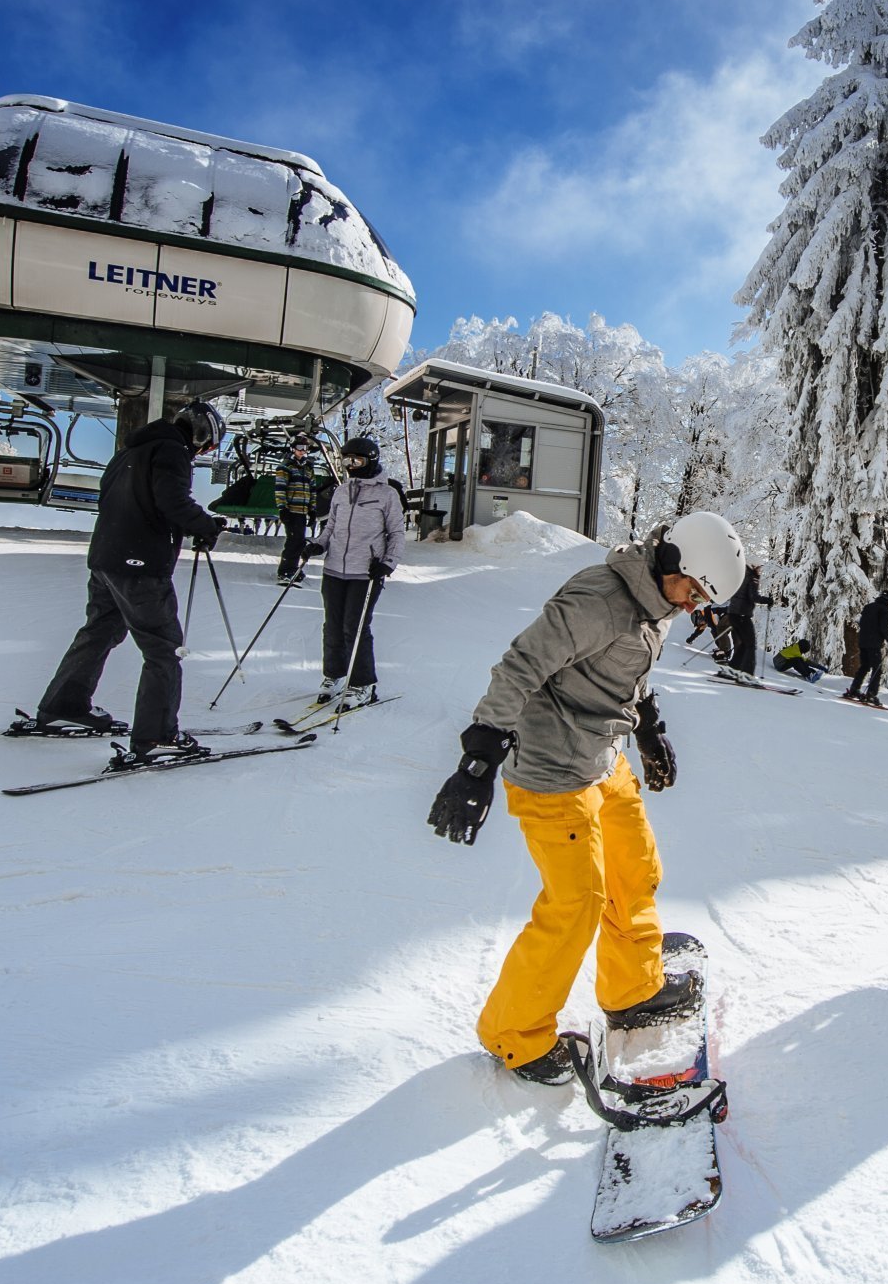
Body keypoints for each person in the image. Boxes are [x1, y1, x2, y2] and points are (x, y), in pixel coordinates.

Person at [426, 510, 747, 1085]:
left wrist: (648, 727)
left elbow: (627, 671)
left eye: (702, 599)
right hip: (553, 771)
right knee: (576, 902)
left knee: (635, 869)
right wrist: (477, 760)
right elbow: (520, 666)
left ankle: (632, 987)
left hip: (604, 756)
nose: (692, 606)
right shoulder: (598, 600)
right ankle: (514, 1036)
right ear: (670, 561)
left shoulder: (659, 603)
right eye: (692, 590)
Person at [32, 400, 228, 758]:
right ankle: (156, 736)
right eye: (208, 445)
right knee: (163, 648)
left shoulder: (129, 452)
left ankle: (64, 706)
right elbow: (172, 500)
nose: (203, 452)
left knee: (99, 632)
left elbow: (131, 502)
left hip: (106, 559)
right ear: (202, 434)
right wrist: (205, 524)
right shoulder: (172, 451)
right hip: (140, 566)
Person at [314, 435, 403, 710]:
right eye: (347, 460)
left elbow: (397, 533)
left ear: (371, 460)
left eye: (357, 460)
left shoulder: (387, 493)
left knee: (355, 627)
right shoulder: (341, 491)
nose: (351, 465)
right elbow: (330, 528)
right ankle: (335, 675)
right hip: (334, 569)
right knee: (332, 627)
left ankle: (363, 683)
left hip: (365, 572)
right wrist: (316, 545)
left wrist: (388, 562)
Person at [273, 436, 319, 583]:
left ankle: (292, 569)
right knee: (294, 540)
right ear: (293, 449)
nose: (302, 452)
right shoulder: (286, 466)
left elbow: (312, 489)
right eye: (299, 448)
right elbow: (280, 488)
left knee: (299, 541)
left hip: (302, 510)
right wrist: (283, 508)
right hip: (291, 509)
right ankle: (286, 570)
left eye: (305, 449)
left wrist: (312, 509)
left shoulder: (308, 468)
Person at [720, 563, 772, 675]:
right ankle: (747, 675)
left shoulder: (741, 576)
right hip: (742, 614)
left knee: (744, 643)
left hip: (733, 613)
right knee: (751, 645)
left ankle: (732, 669)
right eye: (759, 567)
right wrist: (768, 600)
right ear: (755, 567)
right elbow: (753, 596)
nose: (760, 570)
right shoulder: (752, 577)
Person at [844, 589, 888, 704]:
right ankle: (871, 694)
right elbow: (884, 628)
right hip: (874, 644)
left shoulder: (869, 607)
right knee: (877, 669)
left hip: (862, 641)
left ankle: (854, 689)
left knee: (864, 666)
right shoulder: (885, 610)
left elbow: (862, 623)